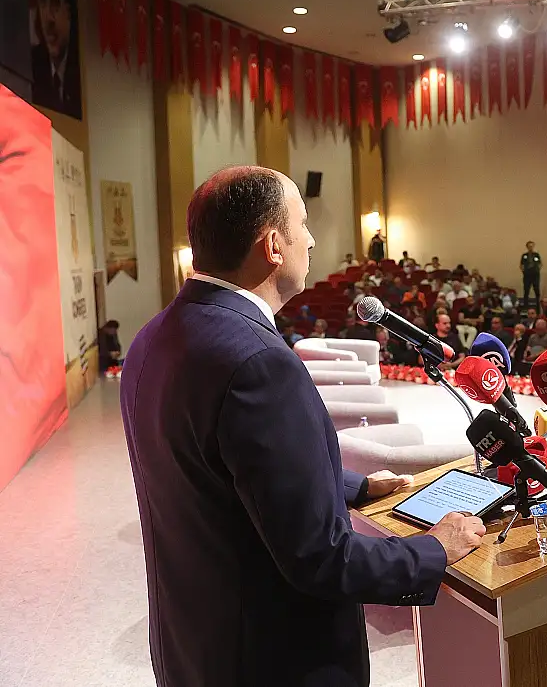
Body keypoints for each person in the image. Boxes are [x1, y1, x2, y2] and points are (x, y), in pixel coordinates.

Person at [120, 167, 484, 687]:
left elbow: (219, 468)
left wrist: (355, 486)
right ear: (274, 246)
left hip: (193, 646)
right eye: (303, 224)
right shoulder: (258, 362)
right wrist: (435, 549)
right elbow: (321, 558)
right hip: (271, 660)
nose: (310, 241)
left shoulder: (153, 338)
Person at [30, 0, 83, 119]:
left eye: (55, 2)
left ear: (68, 12)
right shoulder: (33, 67)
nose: (48, 17)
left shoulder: (79, 72)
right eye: (42, 1)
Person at [519, 241, 542, 307]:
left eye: (532, 246)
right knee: (526, 290)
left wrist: (537, 270)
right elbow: (521, 265)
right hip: (527, 276)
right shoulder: (524, 256)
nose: (530, 247)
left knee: (537, 290)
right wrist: (524, 271)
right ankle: (525, 306)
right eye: (529, 246)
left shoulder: (536, 255)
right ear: (527, 247)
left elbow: (540, 264)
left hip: (535, 276)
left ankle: (538, 305)